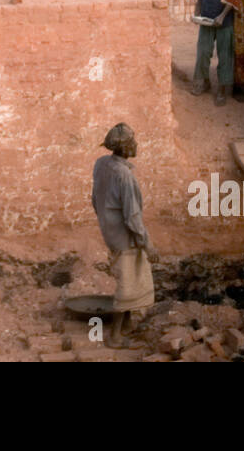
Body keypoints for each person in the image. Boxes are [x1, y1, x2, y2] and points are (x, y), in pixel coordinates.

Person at [91, 123, 156, 347]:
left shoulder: (101, 164)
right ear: (126, 148)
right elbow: (132, 217)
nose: (136, 145)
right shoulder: (124, 175)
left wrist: (106, 222)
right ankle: (115, 336)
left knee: (131, 276)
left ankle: (127, 326)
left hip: (110, 231)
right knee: (127, 286)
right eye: (133, 142)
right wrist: (147, 244)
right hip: (124, 235)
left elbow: (94, 199)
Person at [191, 0, 233, 106]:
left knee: (225, 55)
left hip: (224, 21)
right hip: (207, 21)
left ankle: (223, 87)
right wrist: (196, 13)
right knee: (203, 51)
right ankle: (204, 81)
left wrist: (222, 16)